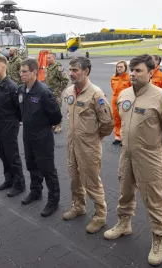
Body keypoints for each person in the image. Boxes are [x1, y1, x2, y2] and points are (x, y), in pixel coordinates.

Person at [104, 54, 162, 266]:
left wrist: (153, 145)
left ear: (151, 72)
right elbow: (121, 120)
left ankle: (158, 238)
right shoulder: (125, 94)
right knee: (125, 192)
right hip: (126, 153)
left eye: (138, 70)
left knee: (154, 198)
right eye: (132, 69)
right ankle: (124, 223)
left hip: (150, 154)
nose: (132, 74)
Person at [62, 57, 113, 234]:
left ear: (86, 71)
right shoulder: (69, 91)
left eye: (75, 70)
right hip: (72, 145)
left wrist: (94, 138)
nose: (71, 73)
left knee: (91, 182)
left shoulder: (96, 94)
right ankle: (79, 206)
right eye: (70, 70)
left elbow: (107, 123)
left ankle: (100, 216)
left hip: (89, 146)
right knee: (74, 178)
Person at [18, 58, 62, 217]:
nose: (21, 74)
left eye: (24, 71)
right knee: (31, 165)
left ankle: (53, 201)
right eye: (20, 71)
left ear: (34, 72)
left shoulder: (44, 92)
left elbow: (56, 117)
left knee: (48, 169)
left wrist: (43, 126)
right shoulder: (21, 90)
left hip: (42, 138)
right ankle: (36, 191)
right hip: (28, 136)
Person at [0, 56, 26, 197]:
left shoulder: (12, 87)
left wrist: (16, 121)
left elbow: (20, 108)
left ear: (3, 67)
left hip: (9, 124)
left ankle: (19, 184)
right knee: (3, 154)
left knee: (12, 155)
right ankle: (9, 179)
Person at [44, 52, 69, 134]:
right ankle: (53, 124)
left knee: (57, 110)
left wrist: (60, 90)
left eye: (49, 58)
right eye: (47, 58)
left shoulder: (58, 68)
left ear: (54, 58)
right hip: (48, 92)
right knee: (50, 109)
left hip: (56, 93)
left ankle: (58, 126)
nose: (47, 59)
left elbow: (65, 80)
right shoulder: (48, 68)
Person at [110, 60, 131, 145]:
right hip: (115, 100)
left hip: (125, 101)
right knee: (116, 119)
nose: (119, 68)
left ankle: (125, 138)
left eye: (121, 67)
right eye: (118, 67)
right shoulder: (113, 77)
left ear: (125, 67)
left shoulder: (129, 78)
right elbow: (112, 87)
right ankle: (118, 136)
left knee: (125, 120)